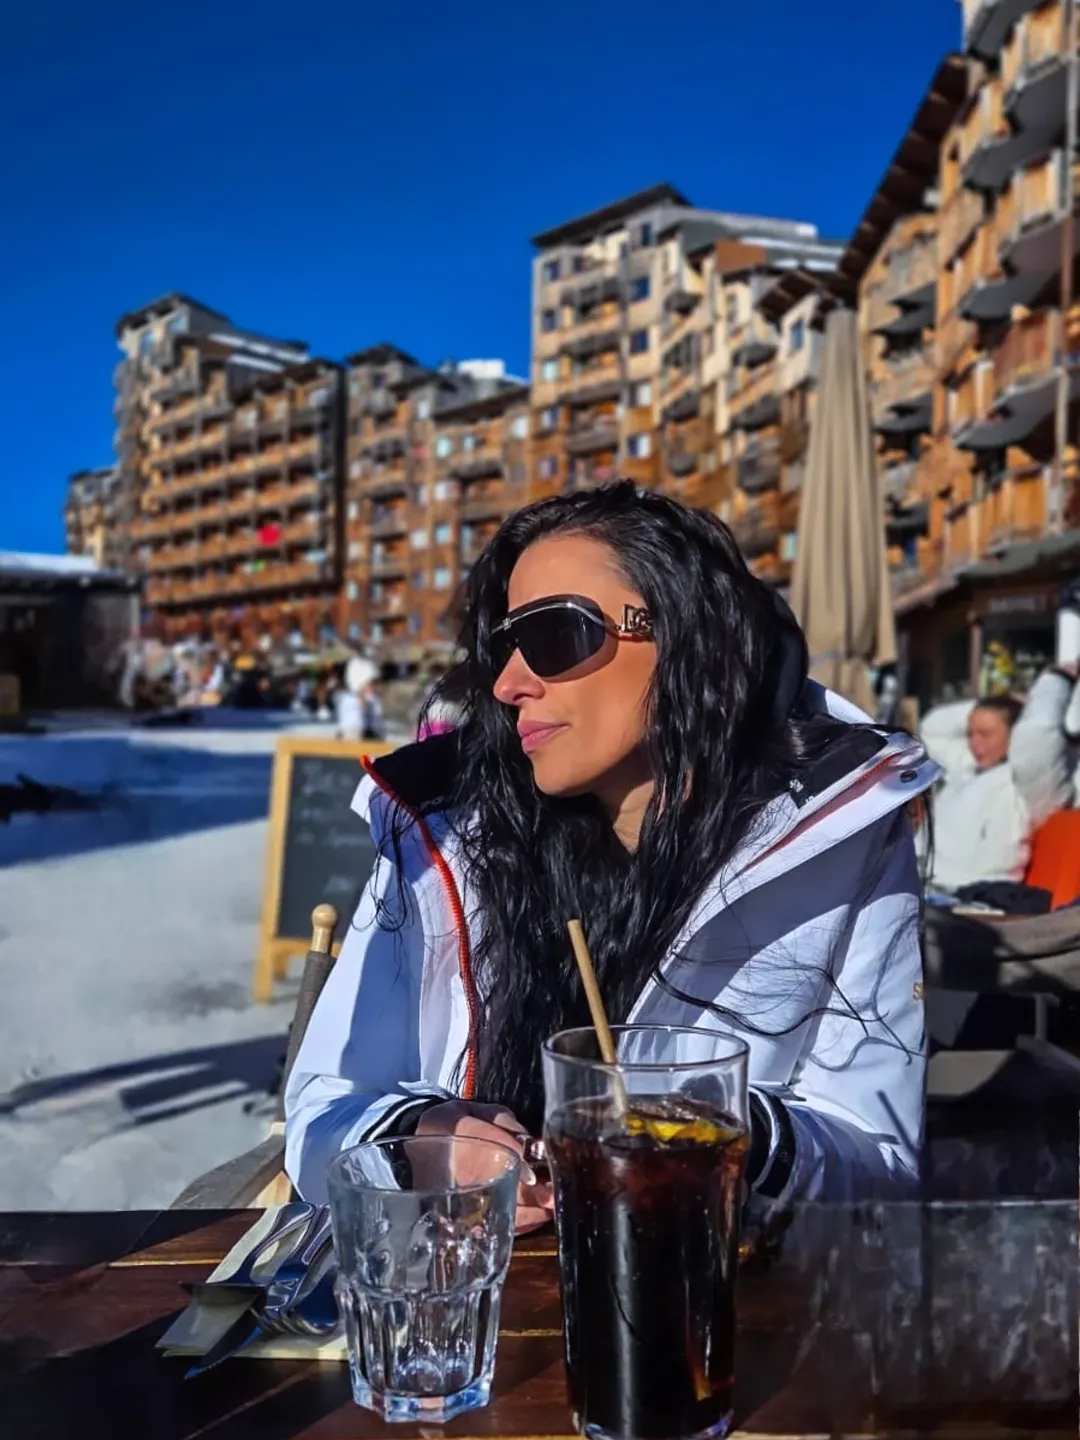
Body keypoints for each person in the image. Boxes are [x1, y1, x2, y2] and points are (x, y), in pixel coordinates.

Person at [285, 482, 939, 1229]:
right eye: (503, 647)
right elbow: (320, 1111)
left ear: (690, 637)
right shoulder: (442, 832)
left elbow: (882, 1168)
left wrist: (727, 1139)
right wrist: (420, 1143)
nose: (509, 683)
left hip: (712, 1285)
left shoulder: (844, 832)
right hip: (469, 1281)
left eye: (554, 635)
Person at [920, 669, 1078, 894]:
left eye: (985, 734)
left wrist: (1057, 678)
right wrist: (1003, 703)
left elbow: (1037, 734)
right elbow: (933, 728)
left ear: (1015, 734)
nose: (974, 743)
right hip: (926, 884)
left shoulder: (1028, 783)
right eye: (970, 733)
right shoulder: (965, 769)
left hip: (972, 893)